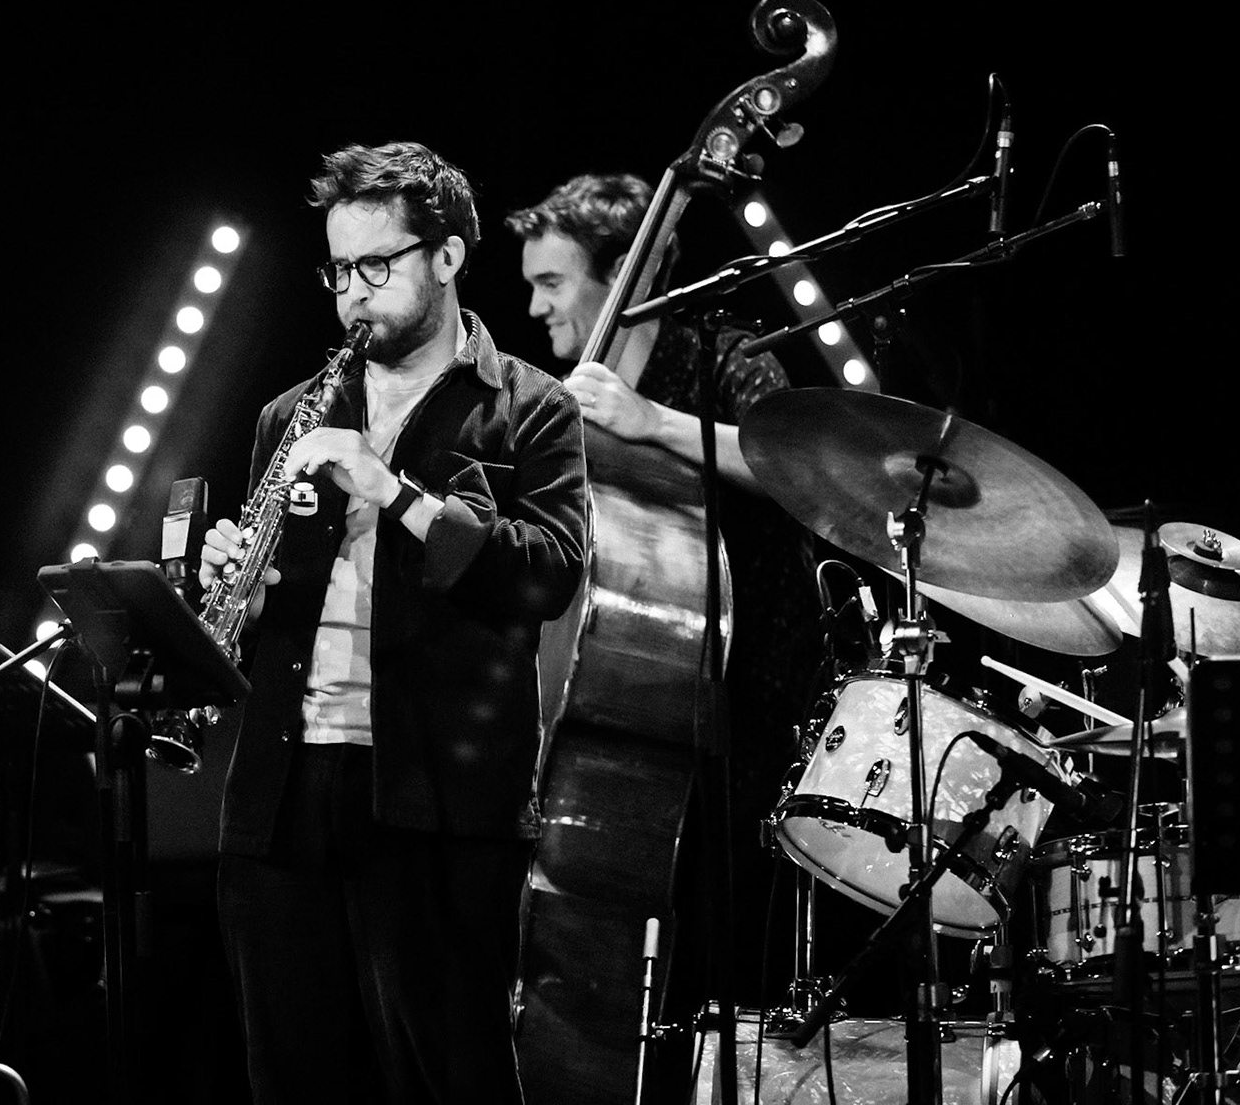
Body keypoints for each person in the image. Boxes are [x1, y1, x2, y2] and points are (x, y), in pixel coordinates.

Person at [200, 141, 589, 1104]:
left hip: (439, 802)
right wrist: (230, 590)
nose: (352, 296)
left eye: (377, 267)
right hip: (285, 789)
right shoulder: (291, 413)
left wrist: (396, 493)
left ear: (448, 256)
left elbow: (552, 575)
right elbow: (260, 618)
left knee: (450, 1075)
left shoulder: (530, 410)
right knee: (290, 1077)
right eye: (339, 271)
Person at [509, 172, 820, 1001]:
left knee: (737, 960)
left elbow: (799, 465)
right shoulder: (560, 408)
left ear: (629, 279)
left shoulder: (728, 357)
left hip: (760, 704)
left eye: (551, 282)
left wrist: (649, 422)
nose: (536, 308)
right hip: (637, 713)